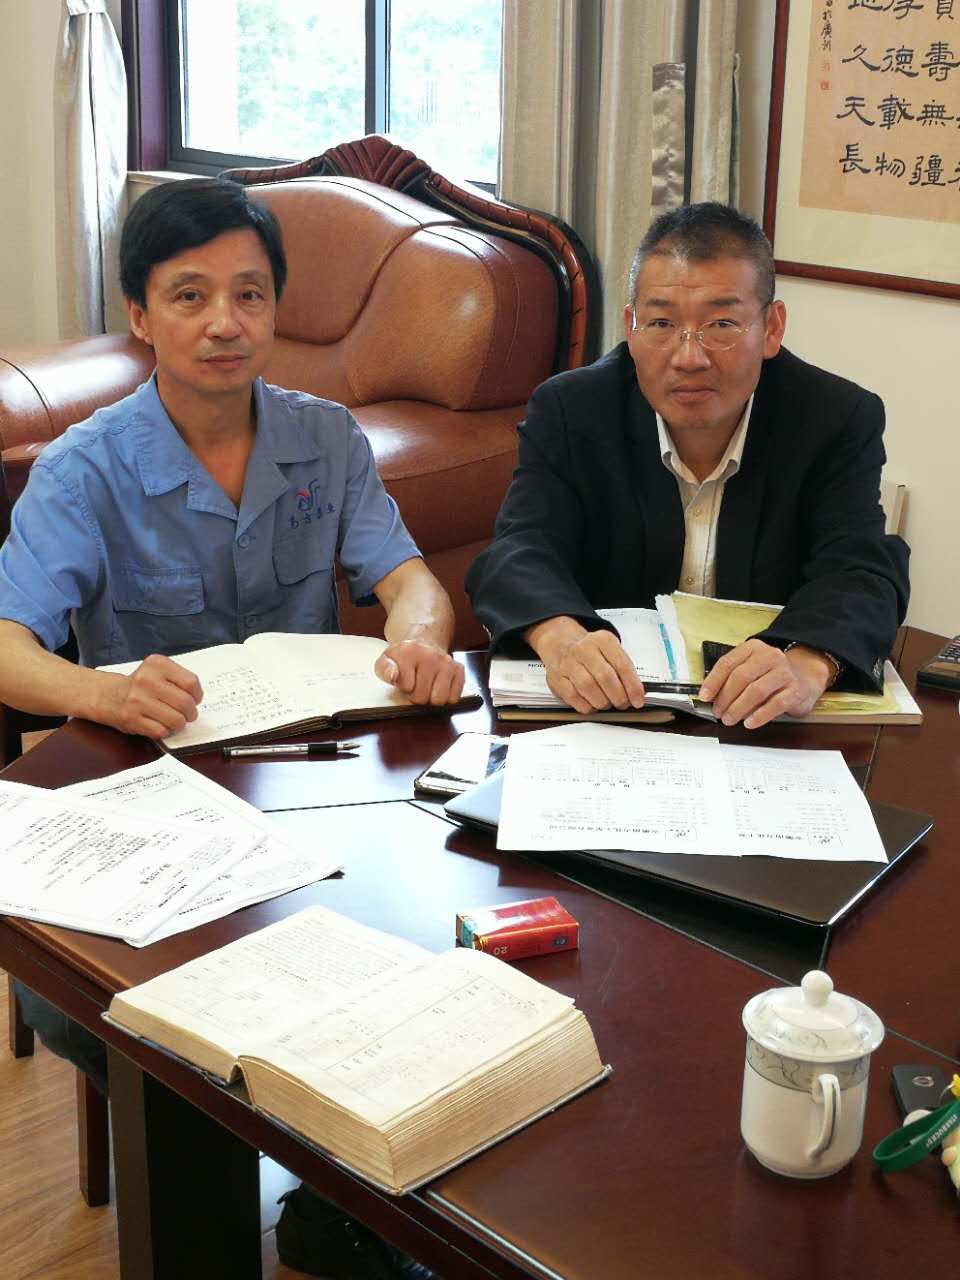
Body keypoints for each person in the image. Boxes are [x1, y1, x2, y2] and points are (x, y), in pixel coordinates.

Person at [0, 177, 457, 1279]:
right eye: (190, 295)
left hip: (308, 795)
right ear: (141, 313)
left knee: (421, 946)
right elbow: (7, 645)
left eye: (249, 294)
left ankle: (342, 1200)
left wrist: (419, 634)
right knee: (116, 1021)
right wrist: (102, 693)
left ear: (276, 309)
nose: (224, 322)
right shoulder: (83, 468)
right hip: (144, 818)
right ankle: (253, 1192)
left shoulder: (327, 439)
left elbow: (409, 579)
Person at [466, 202, 909, 728]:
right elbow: (520, 549)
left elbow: (861, 569)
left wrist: (808, 660)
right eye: (661, 323)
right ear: (630, 328)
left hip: (759, 727)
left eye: (721, 323)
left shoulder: (834, 418)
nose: (689, 357)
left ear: (771, 328)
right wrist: (559, 635)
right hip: (612, 720)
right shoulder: (571, 410)